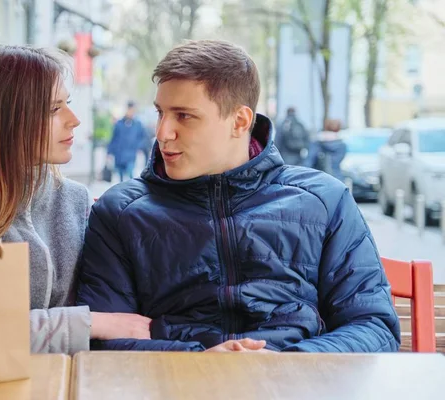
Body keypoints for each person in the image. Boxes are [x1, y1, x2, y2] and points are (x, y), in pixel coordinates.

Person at [77, 40, 400, 353]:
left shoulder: (324, 201)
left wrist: (289, 363)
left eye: (184, 116)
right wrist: (200, 361)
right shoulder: (120, 211)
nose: (163, 132)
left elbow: (373, 326)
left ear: (240, 121)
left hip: (297, 386)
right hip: (175, 385)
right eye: (161, 113)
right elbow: (103, 336)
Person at [0, 45, 151, 355]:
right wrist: (92, 323)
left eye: (67, 103)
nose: (74, 120)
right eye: (53, 109)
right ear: (4, 118)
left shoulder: (75, 200)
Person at [107, 101, 147, 181]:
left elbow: (143, 138)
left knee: (130, 173)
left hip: (131, 154)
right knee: (120, 177)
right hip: (119, 154)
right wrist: (109, 152)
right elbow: (113, 139)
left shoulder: (138, 124)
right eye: (130, 110)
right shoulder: (119, 123)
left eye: (133, 110)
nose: (131, 112)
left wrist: (138, 147)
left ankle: (131, 192)